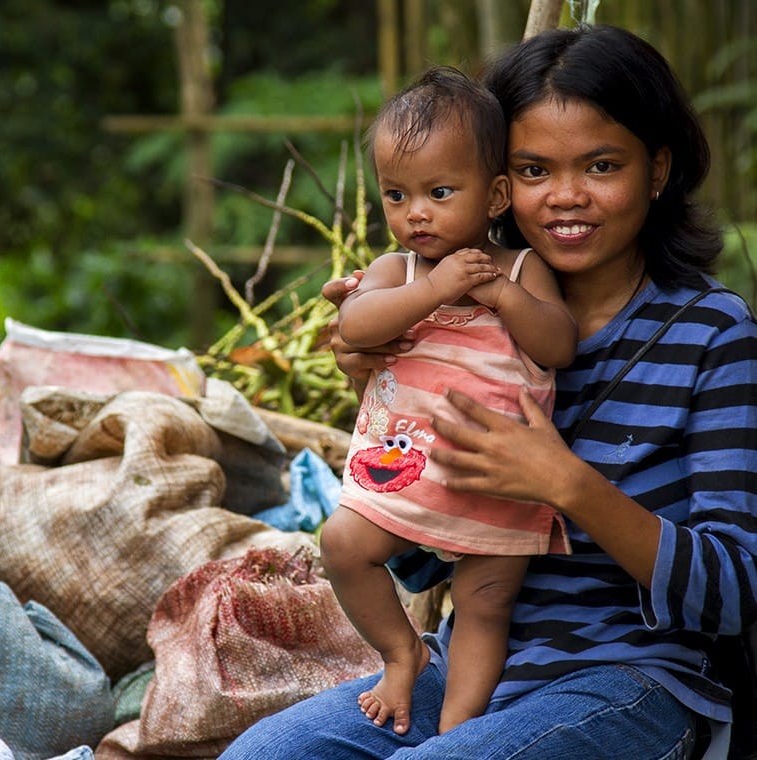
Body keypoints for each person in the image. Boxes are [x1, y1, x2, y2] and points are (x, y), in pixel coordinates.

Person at [221, 23, 757, 760]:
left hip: (634, 683)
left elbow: (734, 592)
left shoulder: (711, 334)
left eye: (602, 165)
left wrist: (570, 486)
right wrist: (385, 397)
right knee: (264, 756)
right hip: (479, 664)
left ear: (657, 170)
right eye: (534, 170)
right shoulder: (446, 320)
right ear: (496, 186)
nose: (566, 197)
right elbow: (428, 558)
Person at [319, 66, 577, 738]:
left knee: (484, 607)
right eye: (396, 196)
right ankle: (401, 652)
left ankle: (458, 729)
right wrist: (433, 292)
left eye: (438, 192)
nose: (416, 214)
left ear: (494, 196)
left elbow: (558, 345)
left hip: (499, 485)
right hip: (402, 478)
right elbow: (355, 327)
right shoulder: (396, 272)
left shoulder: (520, 269)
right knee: (342, 542)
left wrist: (503, 297)